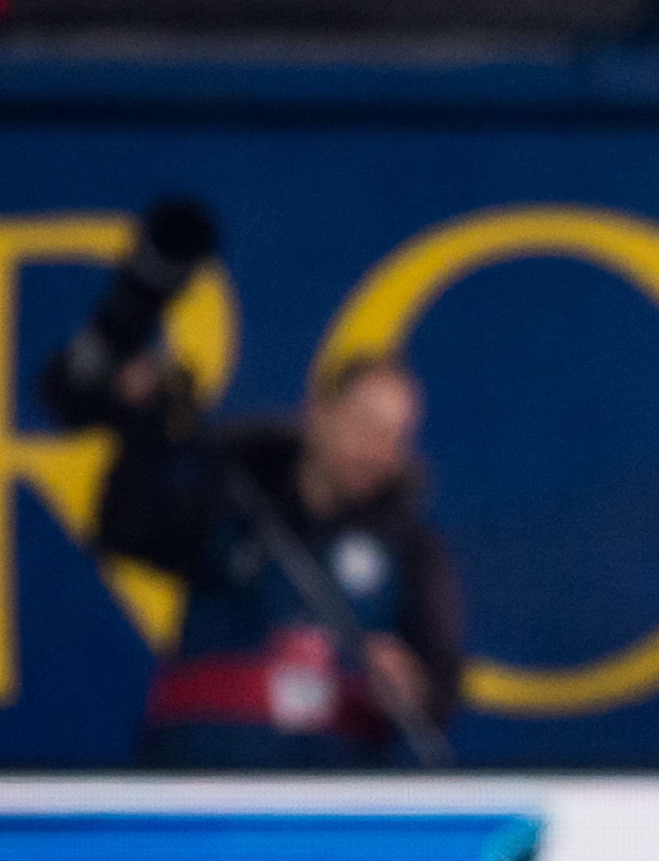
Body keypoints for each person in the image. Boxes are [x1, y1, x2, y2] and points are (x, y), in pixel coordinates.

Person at [41, 199, 461, 770]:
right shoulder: (231, 493)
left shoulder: (410, 549)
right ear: (318, 413)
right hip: (198, 794)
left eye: (394, 437)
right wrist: (141, 429)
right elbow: (123, 532)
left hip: (331, 815)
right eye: (363, 425)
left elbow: (441, 688)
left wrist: (409, 684)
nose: (375, 449)